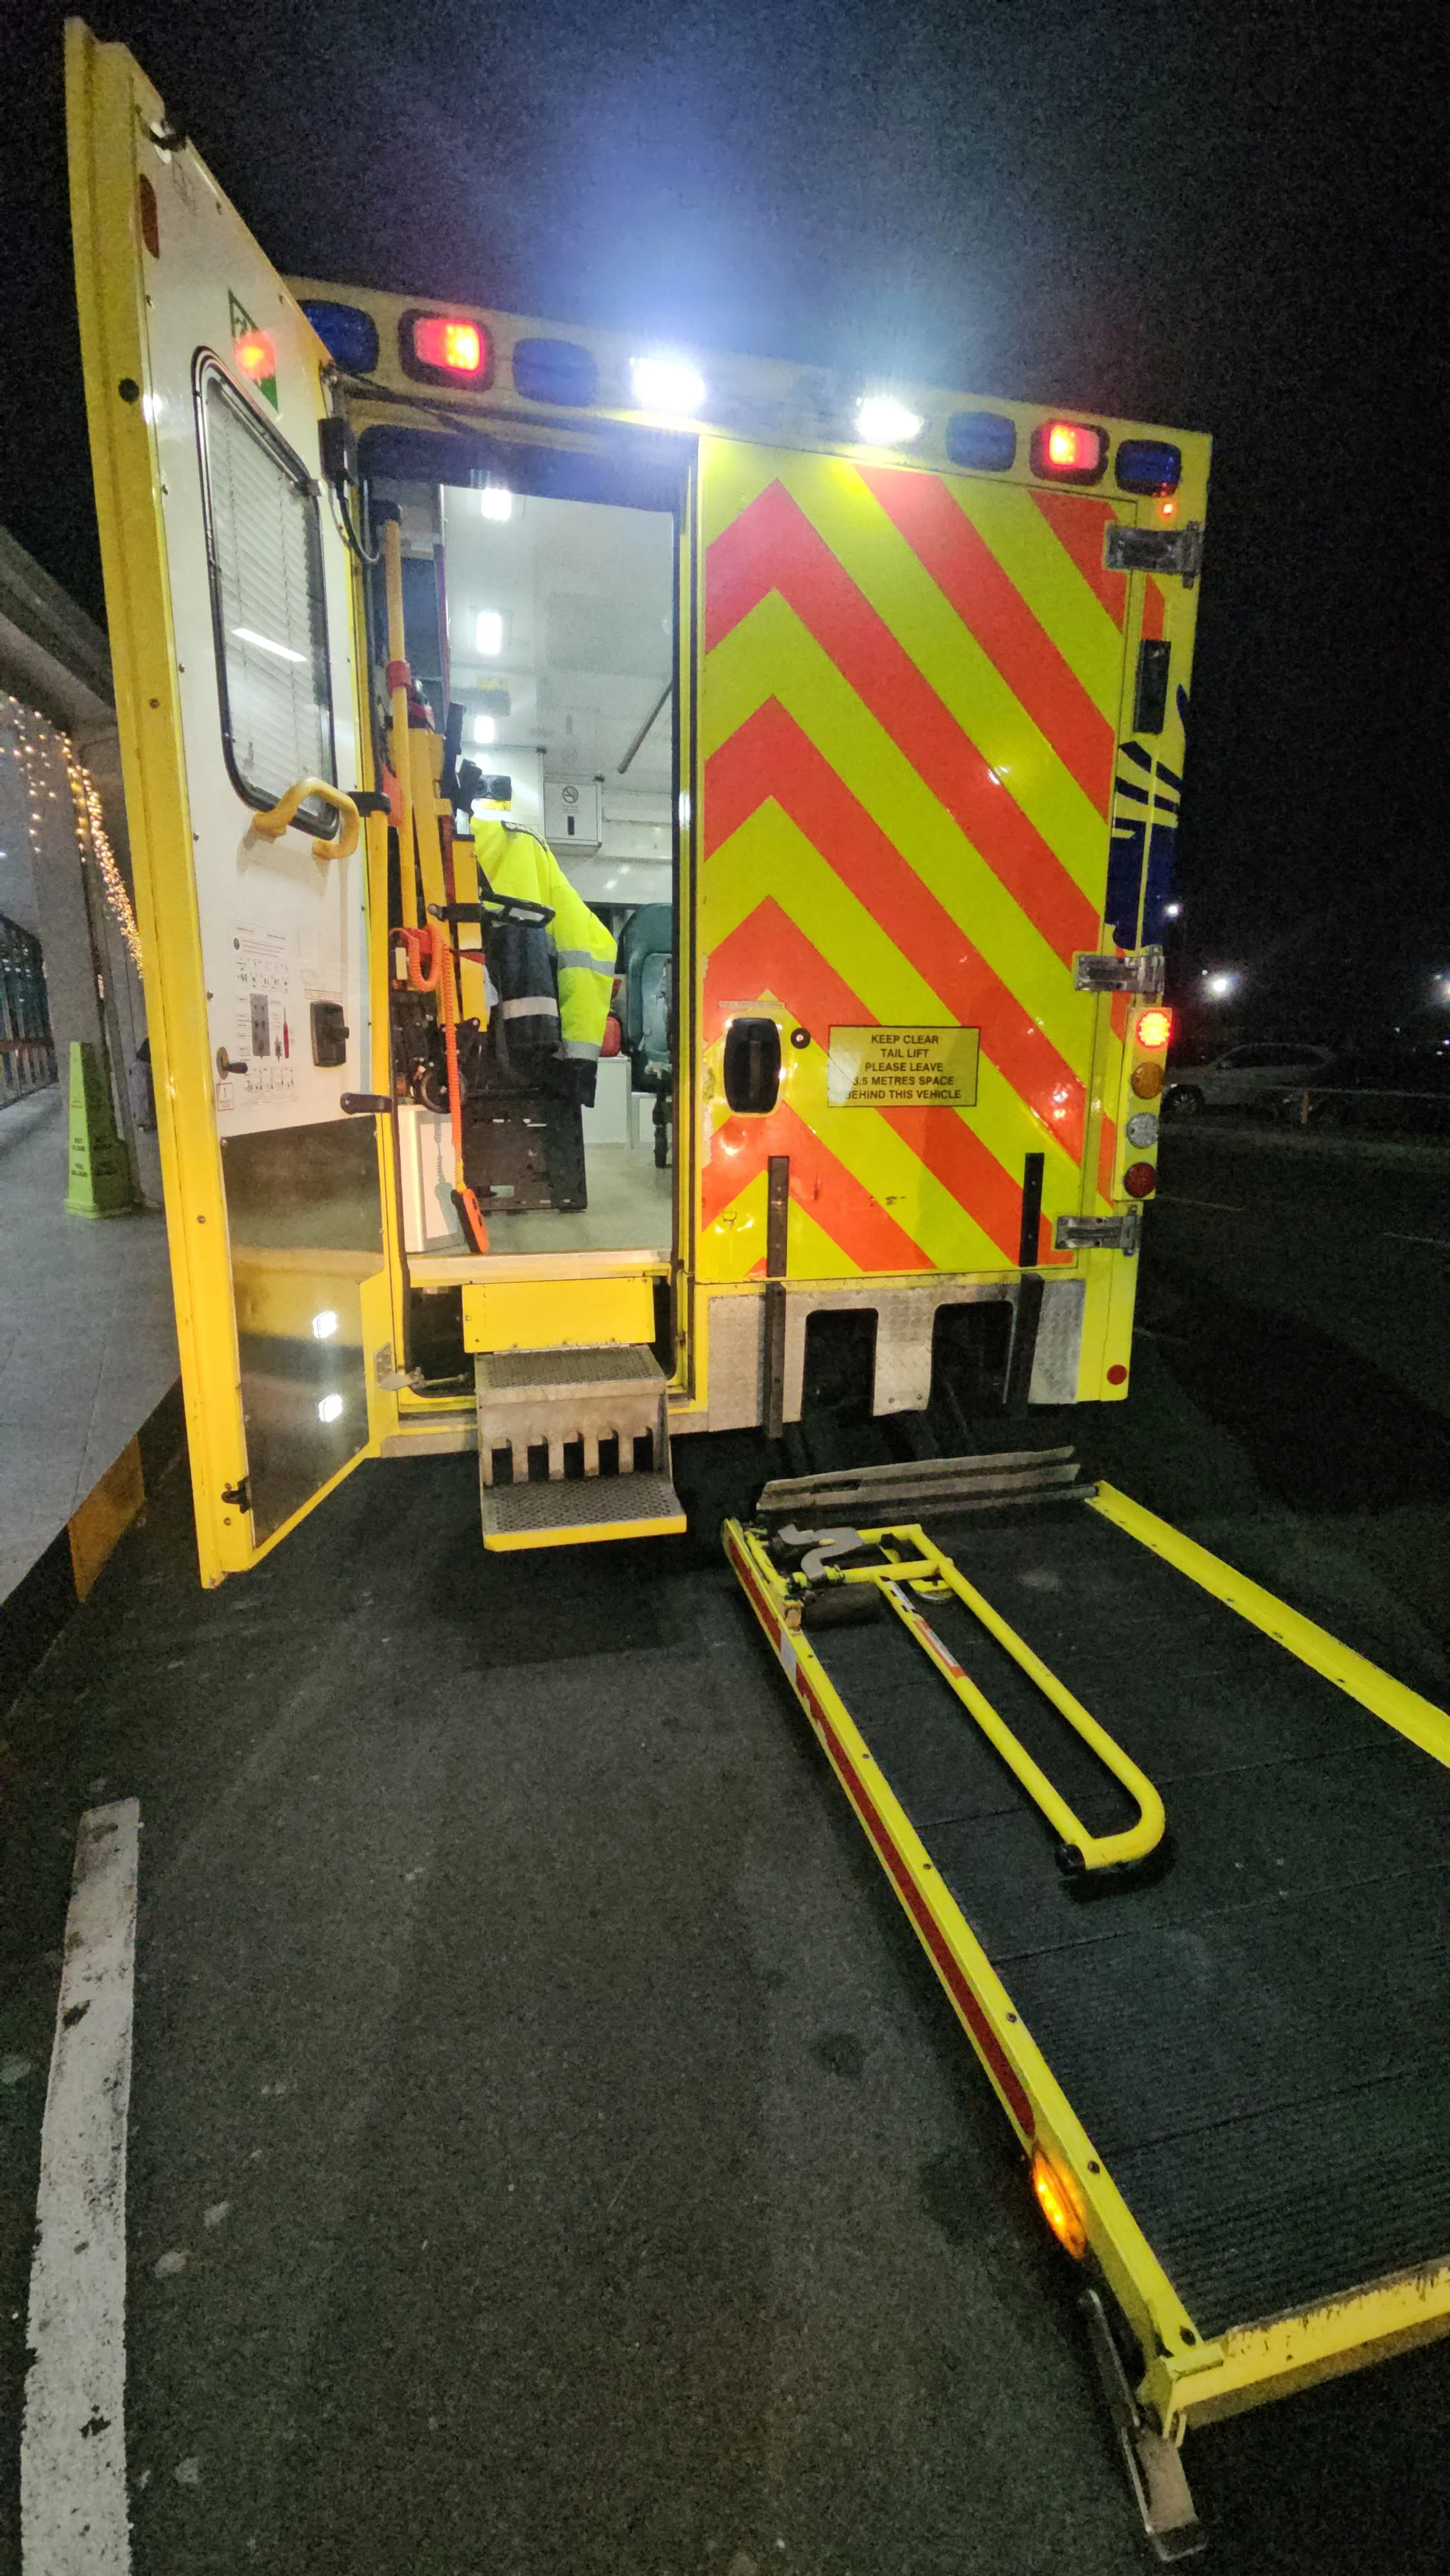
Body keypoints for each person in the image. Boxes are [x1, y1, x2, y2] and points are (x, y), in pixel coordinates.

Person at [470, 813, 616, 1102]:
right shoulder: (526, 846)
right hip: (531, 1053)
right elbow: (591, 949)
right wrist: (578, 1069)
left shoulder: (447, 845)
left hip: (485, 1049)